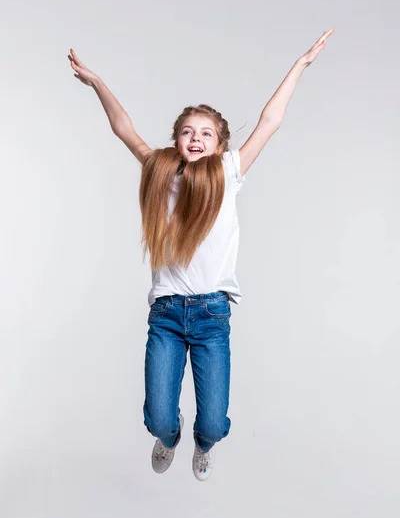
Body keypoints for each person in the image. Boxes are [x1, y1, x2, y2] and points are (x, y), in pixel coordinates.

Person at [68, 29, 334, 481]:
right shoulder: (159, 170)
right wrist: (96, 82)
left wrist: (301, 64)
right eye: (188, 131)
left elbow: (269, 120)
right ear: (175, 139)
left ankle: (203, 445)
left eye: (205, 133)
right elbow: (123, 128)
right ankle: (168, 439)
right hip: (168, 314)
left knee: (212, 423)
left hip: (212, 315)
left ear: (219, 145)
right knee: (158, 418)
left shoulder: (230, 173)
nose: (195, 138)